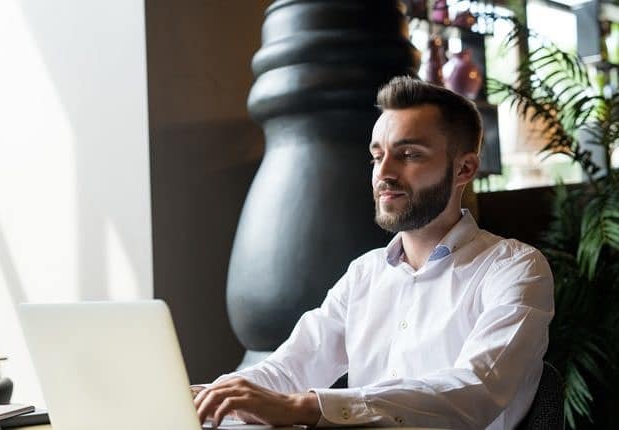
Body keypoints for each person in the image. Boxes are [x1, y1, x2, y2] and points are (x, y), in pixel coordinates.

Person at [193, 76, 554, 429]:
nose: (384, 173)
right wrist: (213, 396)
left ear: (464, 169)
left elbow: (473, 392)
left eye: (408, 154)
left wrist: (304, 406)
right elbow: (292, 366)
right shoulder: (364, 274)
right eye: (376, 156)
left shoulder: (515, 268)